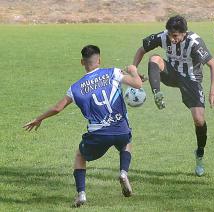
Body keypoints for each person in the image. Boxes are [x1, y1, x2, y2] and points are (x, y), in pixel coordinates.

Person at [23, 45, 142, 207]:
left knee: (80, 155)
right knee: (126, 142)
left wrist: (39, 119)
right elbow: (137, 83)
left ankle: (81, 194)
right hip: (120, 128)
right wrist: (133, 70)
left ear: (82, 62)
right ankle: (123, 172)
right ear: (99, 60)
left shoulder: (75, 88)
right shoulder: (113, 72)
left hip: (98, 134)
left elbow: (57, 108)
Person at [132, 15, 214, 177]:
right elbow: (141, 49)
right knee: (155, 58)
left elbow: (213, 65)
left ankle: (199, 153)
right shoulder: (163, 36)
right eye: (170, 35)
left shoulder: (195, 42)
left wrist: (212, 90)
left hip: (191, 80)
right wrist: (134, 70)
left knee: (199, 120)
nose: (172, 39)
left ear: (184, 33)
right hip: (171, 74)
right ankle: (156, 93)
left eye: (175, 36)